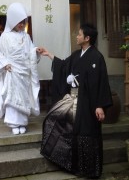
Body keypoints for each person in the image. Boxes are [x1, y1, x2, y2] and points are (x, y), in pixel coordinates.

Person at [38, 24, 112, 179]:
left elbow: (101, 82)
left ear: (87, 38)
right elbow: (64, 65)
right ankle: (76, 167)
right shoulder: (77, 54)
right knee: (69, 128)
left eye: (79, 34)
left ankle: (91, 170)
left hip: (90, 104)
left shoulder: (97, 57)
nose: (77, 36)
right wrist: (48, 54)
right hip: (75, 101)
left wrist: (100, 106)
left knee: (88, 134)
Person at [0, 2, 40, 135]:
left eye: (23, 22)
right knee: (12, 95)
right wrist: (4, 63)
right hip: (12, 71)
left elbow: (30, 51)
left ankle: (22, 122)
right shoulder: (5, 37)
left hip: (24, 71)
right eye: (19, 22)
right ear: (13, 21)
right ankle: (14, 123)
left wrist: (35, 51)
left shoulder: (26, 36)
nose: (22, 25)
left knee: (23, 96)